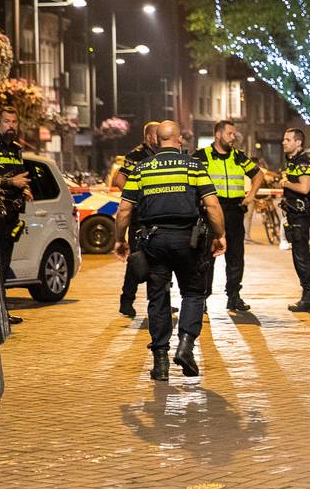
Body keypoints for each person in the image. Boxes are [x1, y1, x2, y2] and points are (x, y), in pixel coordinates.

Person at [113, 120, 226, 381]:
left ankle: (160, 362)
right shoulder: (193, 166)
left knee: (158, 298)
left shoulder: (142, 169)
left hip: (154, 242)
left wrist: (120, 240)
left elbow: (124, 209)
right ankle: (185, 345)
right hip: (188, 241)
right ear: (178, 140)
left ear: (157, 140)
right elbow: (212, 205)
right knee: (194, 293)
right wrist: (219, 235)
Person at [196, 120, 264, 311]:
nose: (233, 137)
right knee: (207, 256)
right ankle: (203, 297)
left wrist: (250, 196)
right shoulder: (201, 156)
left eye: (234, 134)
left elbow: (258, 175)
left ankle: (233, 296)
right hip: (211, 211)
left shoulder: (238, 156)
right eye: (230, 134)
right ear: (218, 135)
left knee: (236, 256)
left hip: (234, 210)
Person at [0, 106, 31, 325]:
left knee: (4, 266)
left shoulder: (16, 149)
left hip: (12, 215)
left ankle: (2, 312)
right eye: (6, 122)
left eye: (14, 122)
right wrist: (11, 182)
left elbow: (20, 177)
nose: (11, 126)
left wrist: (25, 189)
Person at [112, 121, 160, 318]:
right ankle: (127, 301)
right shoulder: (136, 156)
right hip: (140, 218)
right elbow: (119, 179)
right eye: (157, 134)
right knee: (137, 260)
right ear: (148, 137)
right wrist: (135, 197)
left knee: (159, 261)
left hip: (156, 215)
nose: (161, 137)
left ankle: (158, 301)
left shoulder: (161, 154)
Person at [277, 128, 310, 311]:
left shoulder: (303, 162)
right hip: (294, 212)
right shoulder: (293, 161)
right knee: (298, 255)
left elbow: (304, 188)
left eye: (287, 139)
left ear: (298, 142)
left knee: (301, 255)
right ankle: (306, 296)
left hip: (301, 213)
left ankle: (307, 297)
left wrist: (285, 183)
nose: (284, 142)